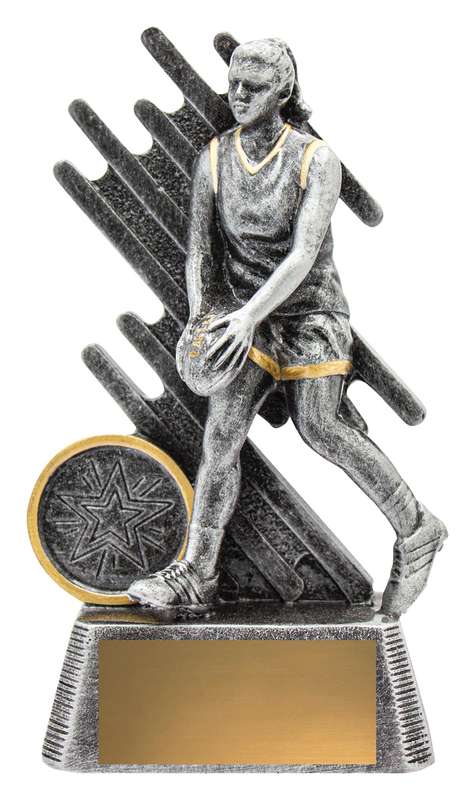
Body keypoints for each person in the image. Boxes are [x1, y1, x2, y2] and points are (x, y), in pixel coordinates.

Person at [128, 38, 446, 616]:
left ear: (283, 92)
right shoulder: (213, 159)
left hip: (309, 313)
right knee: (220, 434)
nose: (238, 94)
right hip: (240, 315)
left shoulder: (315, 160)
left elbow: (303, 255)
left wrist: (250, 316)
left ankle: (417, 527)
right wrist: (204, 318)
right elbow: (200, 252)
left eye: (254, 86)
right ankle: (197, 574)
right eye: (234, 83)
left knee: (319, 426)